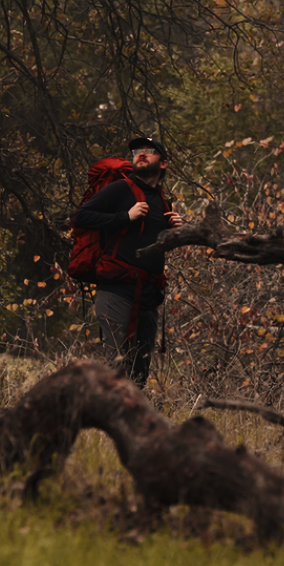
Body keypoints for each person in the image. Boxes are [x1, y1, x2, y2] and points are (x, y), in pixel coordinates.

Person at [71, 136, 183, 385]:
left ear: (163, 163)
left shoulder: (164, 201)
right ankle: (113, 419)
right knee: (118, 368)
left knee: (140, 373)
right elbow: (80, 217)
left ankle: (134, 422)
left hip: (149, 296)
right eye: (137, 151)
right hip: (117, 292)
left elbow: (150, 245)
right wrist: (125, 216)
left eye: (149, 151)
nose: (141, 154)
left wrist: (175, 233)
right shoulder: (120, 189)